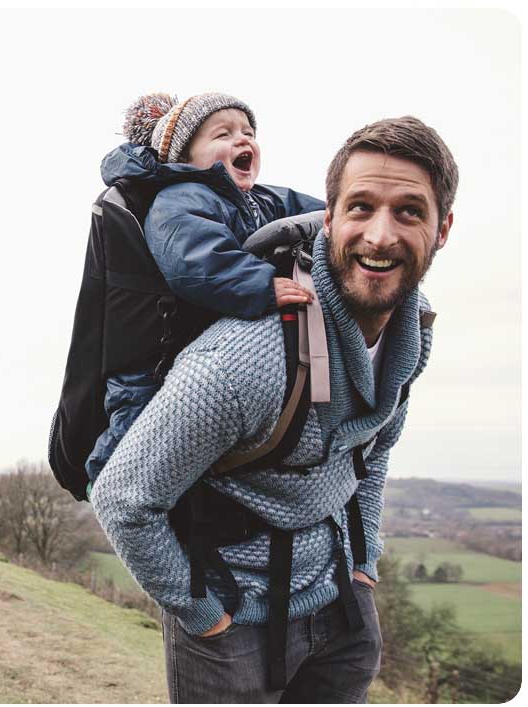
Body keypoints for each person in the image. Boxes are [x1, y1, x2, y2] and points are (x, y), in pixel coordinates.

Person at [91, 115, 457, 703]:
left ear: (443, 229)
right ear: (330, 218)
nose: (381, 236)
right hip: (230, 615)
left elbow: (373, 449)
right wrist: (201, 612)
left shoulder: (413, 330)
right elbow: (123, 498)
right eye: (360, 207)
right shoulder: (244, 359)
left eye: (409, 211)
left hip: (339, 600)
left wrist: (363, 565)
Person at [85, 92, 324, 494]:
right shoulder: (181, 199)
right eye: (223, 134)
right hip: (155, 356)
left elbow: (314, 209)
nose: (242, 140)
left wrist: (356, 211)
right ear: (186, 156)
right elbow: (195, 261)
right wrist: (261, 284)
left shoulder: (260, 197)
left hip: (206, 346)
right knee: (136, 433)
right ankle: (107, 486)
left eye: (248, 131)